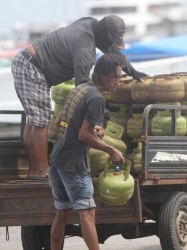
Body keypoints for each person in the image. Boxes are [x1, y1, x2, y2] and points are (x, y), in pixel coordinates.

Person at [11, 15, 146, 179]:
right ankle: (42, 170)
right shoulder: (85, 51)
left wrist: (132, 71)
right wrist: (97, 121)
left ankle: (34, 170)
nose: (110, 47)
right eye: (110, 41)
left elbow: (111, 51)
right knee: (41, 121)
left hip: (27, 61)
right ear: (103, 34)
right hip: (32, 66)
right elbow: (83, 90)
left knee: (34, 120)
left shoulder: (90, 23)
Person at [49, 53, 125, 250]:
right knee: (87, 212)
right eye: (116, 76)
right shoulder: (96, 98)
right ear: (104, 75)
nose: (119, 81)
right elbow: (83, 135)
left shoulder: (80, 89)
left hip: (57, 159)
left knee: (63, 212)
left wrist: (89, 129)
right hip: (73, 162)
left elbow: (61, 121)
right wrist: (111, 150)